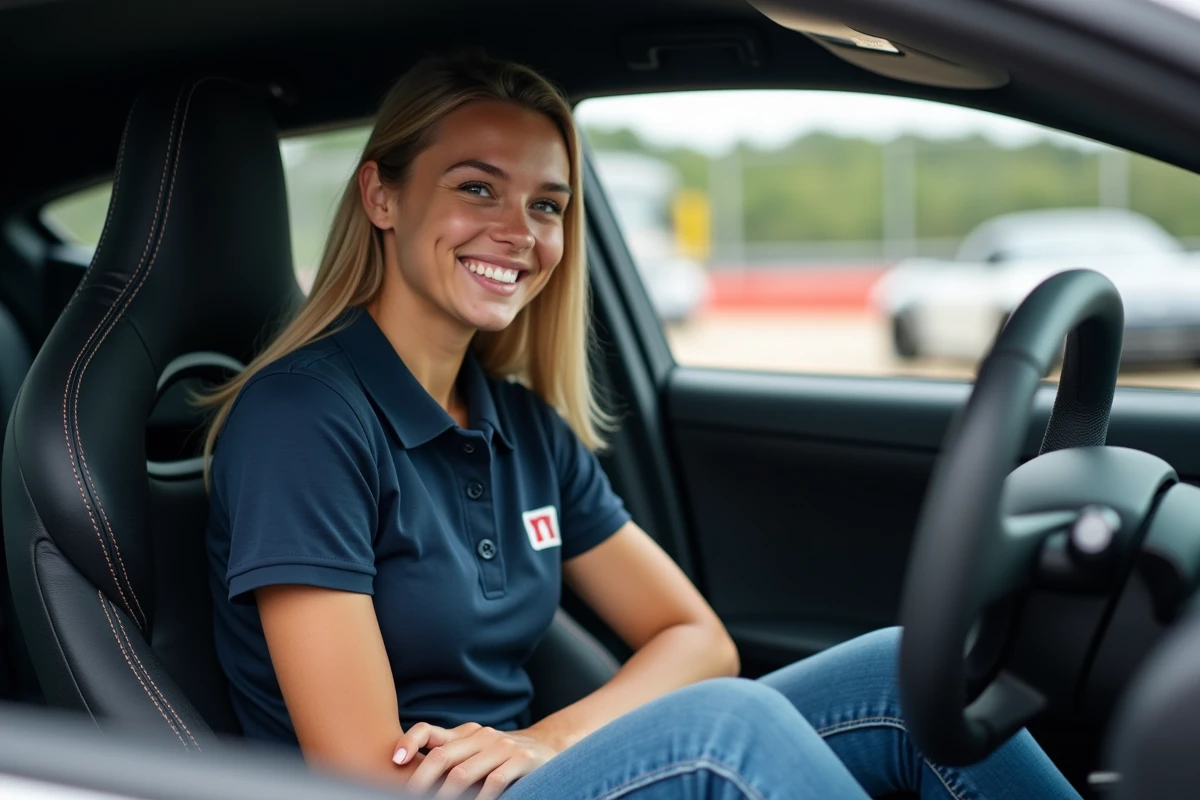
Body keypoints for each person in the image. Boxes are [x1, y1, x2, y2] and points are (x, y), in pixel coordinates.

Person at [201, 52, 1082, 800]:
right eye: (478, 188)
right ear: (382, 198)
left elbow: (698, 638)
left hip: (521, 773)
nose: (519, 232)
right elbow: (361, 773)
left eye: (547, 205)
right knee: (722, 733)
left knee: (904, 671)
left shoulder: (520, 426)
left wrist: (548, 740)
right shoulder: (303, 419)